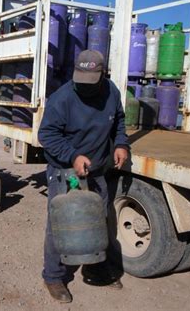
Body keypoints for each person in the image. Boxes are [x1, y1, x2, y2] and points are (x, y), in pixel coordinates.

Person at [38, 50, 129, 303]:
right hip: (65, 171)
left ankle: (94, 266)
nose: (84, 86)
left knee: (98, 219)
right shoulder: (62, 98)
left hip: (97, 168)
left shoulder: (112, 92)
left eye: (91, 80)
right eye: (81, 79)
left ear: (103, 75)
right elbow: (47, 136)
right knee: (61, 222)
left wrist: (122, 144)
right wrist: (73, 156)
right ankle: (53, 276)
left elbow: (119, 121)